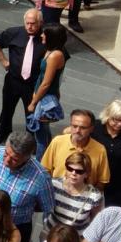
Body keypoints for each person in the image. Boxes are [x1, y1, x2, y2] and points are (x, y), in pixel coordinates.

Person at [0, 131, 55, 242]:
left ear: (27, 158)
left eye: (14, 159)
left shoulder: (41, 178)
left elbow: (46, 206)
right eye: (6, 154)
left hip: (14, 229)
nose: (7, 161)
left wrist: (23, 205)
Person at [0, 9, 45, 145]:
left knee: (31, 113)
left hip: (32, 84)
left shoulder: (45, 37)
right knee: (7, 109)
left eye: (33, 24)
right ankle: (3, 131)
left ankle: (30, 139)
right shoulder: (14, 33)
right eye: (27, 23)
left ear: (40, 23)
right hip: (13, 80)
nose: (29, 27)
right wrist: (3, 60)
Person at [27, 24, 71, 155]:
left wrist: (33, 102)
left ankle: (42, 163)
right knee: (43, 131)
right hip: (43, 95)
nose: (41, 35)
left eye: (44, 34)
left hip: (45, 99)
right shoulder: (51, 51)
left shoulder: (54, 56)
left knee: (41, 136)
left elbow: (46, 83)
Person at [41, 109, 110, 186]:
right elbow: (45, 169)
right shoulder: (57, 141)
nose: (77, 130)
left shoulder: (100, 150)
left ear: (91, 129)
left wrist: (90, 196)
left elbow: (102, 180)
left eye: (83, 128)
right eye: (74, 126)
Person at [43, 152, 104, 239]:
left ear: (86, 174)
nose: (73, 173)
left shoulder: (94, 196)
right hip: (50, 236)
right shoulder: (54, 185)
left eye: (79, 171)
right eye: (70, 168)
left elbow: (96, 222)